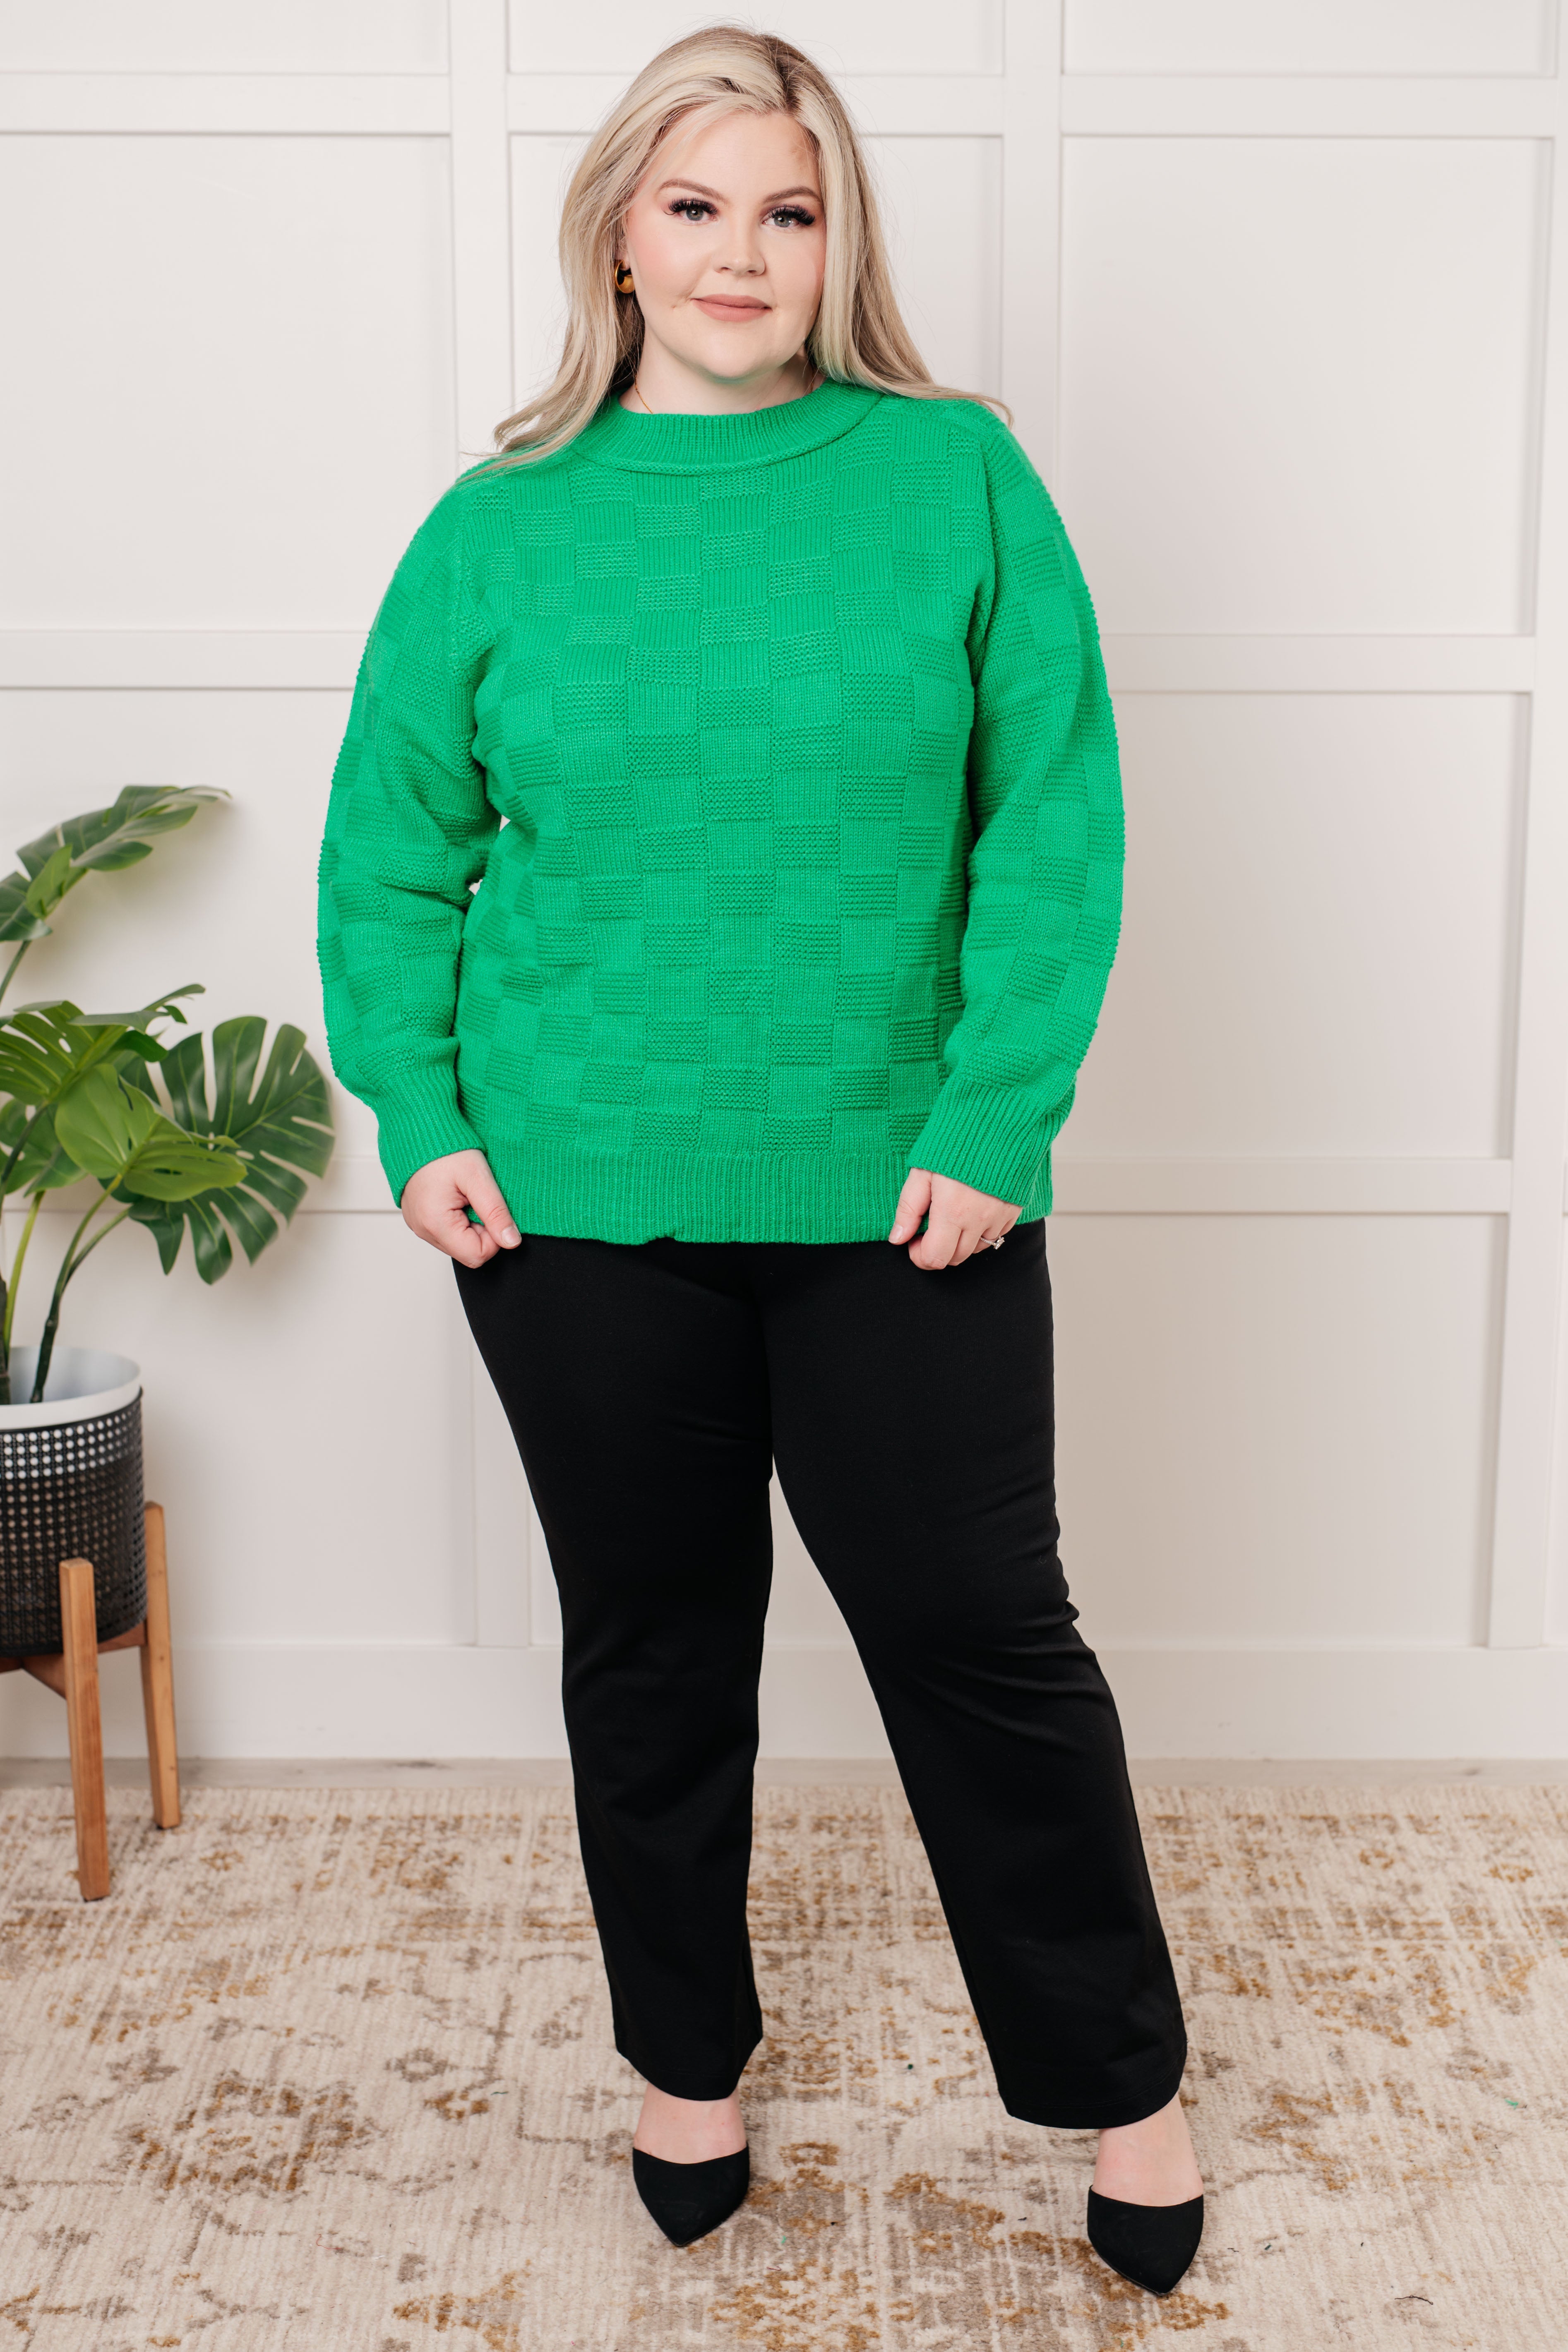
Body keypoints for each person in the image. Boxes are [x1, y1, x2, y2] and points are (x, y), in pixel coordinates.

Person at [316, 24, 1205, 2302]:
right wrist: (420, 1112)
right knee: (655, 1652)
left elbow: (1055, 827)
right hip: (573, 1200)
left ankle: (1125, 2088)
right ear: (619, 224)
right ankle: (681, 2067)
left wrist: (996, 1114)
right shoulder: (497, 528)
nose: (742, 251)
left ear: (842, 243)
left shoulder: (958, 479)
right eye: (697, 205)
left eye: (788, 212)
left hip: (905, 1194)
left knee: (983, 1639)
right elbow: (393, 856)